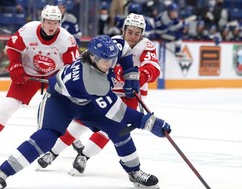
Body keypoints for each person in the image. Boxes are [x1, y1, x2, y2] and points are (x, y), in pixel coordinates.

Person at [0, 35, 171, 189]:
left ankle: (134, 172)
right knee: (46, 137)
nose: (112, 64)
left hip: (86, 101)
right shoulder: (93, 81)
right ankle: (1, 173)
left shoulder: (104, 52)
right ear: (95, 58)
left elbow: (124, 48)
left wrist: (130, 72)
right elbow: (120, 112)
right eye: (107, 61)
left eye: (113, 59)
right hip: (60, 101)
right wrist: (150, 122)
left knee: (117, 129)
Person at [37, 13, 161, 175]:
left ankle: (84, 156)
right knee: (81, 123)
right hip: (106, 91)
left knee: (111, 129)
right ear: (124, 30)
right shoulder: (114, 43)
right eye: (130, 32)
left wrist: (138, 77)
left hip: (130, 95)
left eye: (137, 34)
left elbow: (154, 68)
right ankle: (52, 152)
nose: (133, 37)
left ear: (142, 34)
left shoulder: (147, 46)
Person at [0, 5, 79, 154]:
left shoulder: (67, 40)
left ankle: (74, 139)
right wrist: (16, 65)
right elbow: (12, 47)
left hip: (54, 76)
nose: (52, 26)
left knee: (61, 113)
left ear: (60, 23)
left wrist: (60, 79)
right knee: (7, 106)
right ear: (42, 21)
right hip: (29, 73)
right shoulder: (29, 30)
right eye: (48, 22)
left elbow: (71, 66)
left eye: (55, 22)